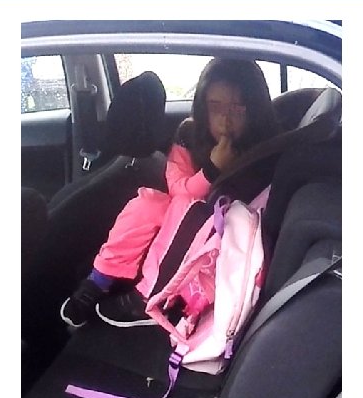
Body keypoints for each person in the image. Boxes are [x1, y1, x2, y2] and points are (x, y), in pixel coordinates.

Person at [61, 58, 280, 327]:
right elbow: (179, 188)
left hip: (216, 240)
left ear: (253, 110)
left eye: (237, 107)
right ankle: (98, 281)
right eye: (216, 107)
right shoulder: (189, 135)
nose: (225, 118)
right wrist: (210, 171)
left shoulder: (263, 151)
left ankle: (149, 298)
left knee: (185, 207)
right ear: (203, 107)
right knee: (149, 204)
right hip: (181, 226)